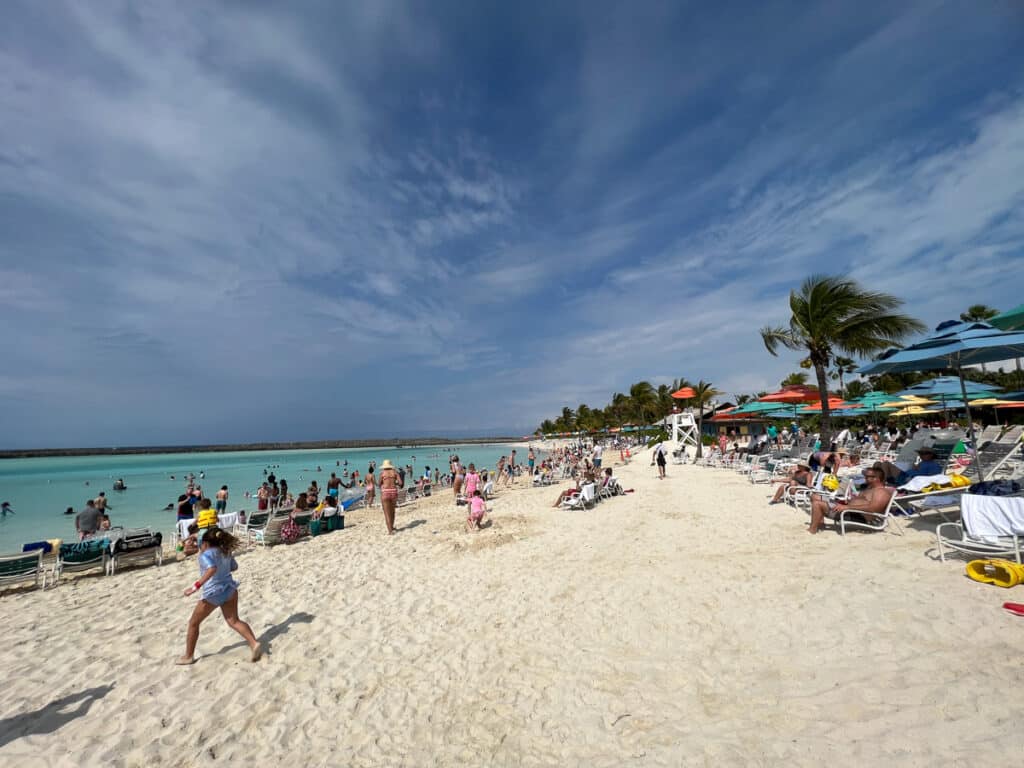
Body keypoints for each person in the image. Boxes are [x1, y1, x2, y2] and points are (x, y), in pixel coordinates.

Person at [177, 527, 261, 665]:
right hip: (230, 590)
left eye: (200, 544)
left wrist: (194, 587)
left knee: (193, 623)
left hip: (213, 594)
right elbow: (234, 567)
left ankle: (188, 656)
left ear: (205, 543)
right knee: (234, 621)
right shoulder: (226, 551)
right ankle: (254, 643)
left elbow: (212, 568)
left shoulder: (205, 555)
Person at [808, 466, 894, 534]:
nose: (865, 478)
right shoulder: (869, 489)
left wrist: (847, 507)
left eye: (867, 476)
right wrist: (847, 503)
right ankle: (820, 523)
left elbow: (873, 508)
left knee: (817, 504)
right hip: (851, 510)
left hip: (861, 518)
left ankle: (812, 530)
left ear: (876, 478)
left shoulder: (881, 492)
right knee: (815, 496)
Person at [877, 447, 944, 486]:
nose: (921, 455)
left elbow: (932, 478)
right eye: (920, 453)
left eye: (924, 454)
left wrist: (913, 477)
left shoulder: (934, 465)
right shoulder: (923, 462)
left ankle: (880, 485)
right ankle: (875, 484)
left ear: (931, 455)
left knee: (886, 464)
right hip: (906, 476)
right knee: (877, 464)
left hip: (908, 480)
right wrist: (915, 468)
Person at [378, 459, 403, 535]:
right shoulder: (395, 472)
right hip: (393, 492)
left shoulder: (382, 473)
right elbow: (401, 483)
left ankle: (390, 531)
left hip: (385, 493)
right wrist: (394, 483)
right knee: (392, 511)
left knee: (386, 513)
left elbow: (379, 484)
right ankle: (391, 527)